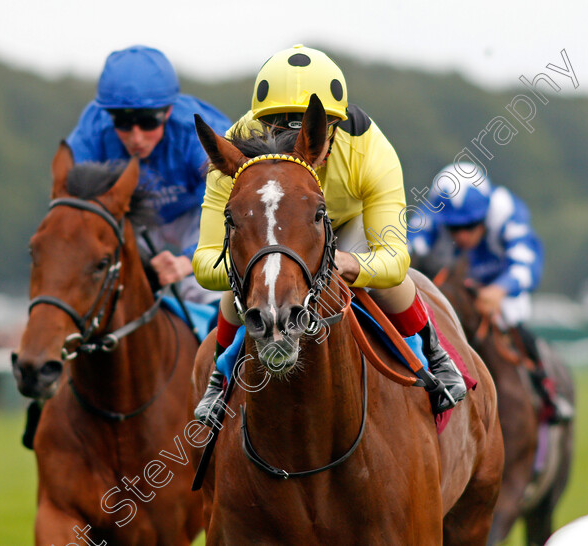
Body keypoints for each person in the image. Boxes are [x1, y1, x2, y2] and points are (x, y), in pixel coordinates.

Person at [192, 45, 467, 425]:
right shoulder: (236, 148)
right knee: (237, 293)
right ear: (261, 125)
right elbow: (206, 261)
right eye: (278, 127)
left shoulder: (370, 150)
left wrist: (350, 262)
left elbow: (394, 258)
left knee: (389, 284)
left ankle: (437, 358)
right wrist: (255, 267)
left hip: (345, 229)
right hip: (274, 238)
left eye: (306, 128)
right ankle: (219, 381)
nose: (292, 138)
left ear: (329, 127)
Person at [66, 45, 232, 304]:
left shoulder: (194, 131)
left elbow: (229, 199)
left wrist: (189, 260)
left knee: (206, 283)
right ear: (108, 116)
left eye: (148, 122)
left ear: (167, 111)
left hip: (195, 212)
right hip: (132, 216)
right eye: (122, 122)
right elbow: (76, 205)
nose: (136, 138)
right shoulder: (92, 130)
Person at [409, 163, 573, 423]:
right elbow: (406, 248)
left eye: (471, 225)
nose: (462, 236)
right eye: (454, 228)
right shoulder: (431, 212)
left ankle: (547, 392)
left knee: (511, 316)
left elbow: (527, 261)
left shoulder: (506, 209)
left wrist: (499, 290)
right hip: (455, 289)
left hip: (499, 286)